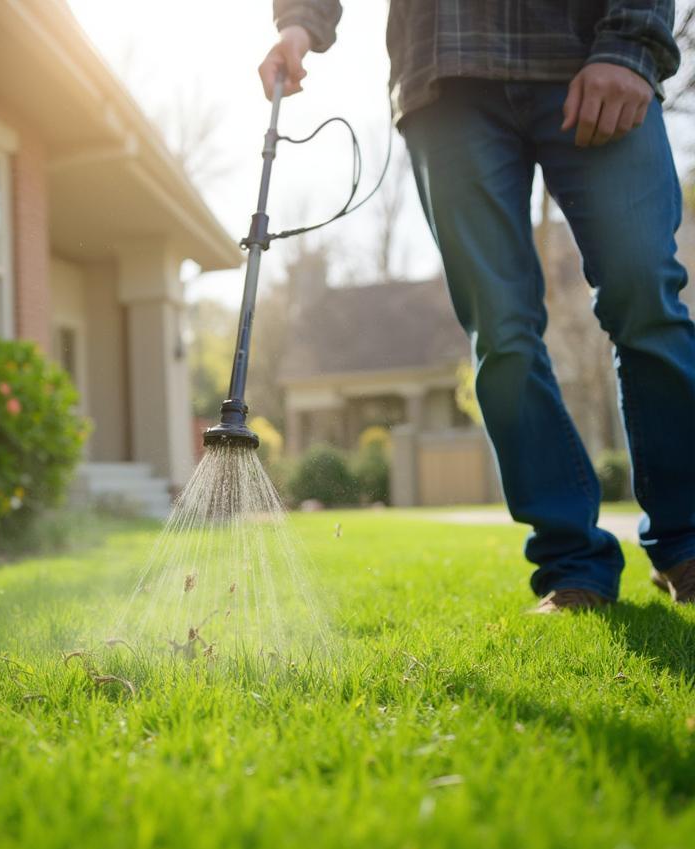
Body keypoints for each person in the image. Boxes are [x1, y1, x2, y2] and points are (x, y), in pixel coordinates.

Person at [261, 2, 695, 612]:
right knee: (500, 334)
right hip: (444, 78)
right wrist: (298, 24)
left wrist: (630, 43)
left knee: (644, 294)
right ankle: (573, 564)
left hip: (588, 48)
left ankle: (688, 542)